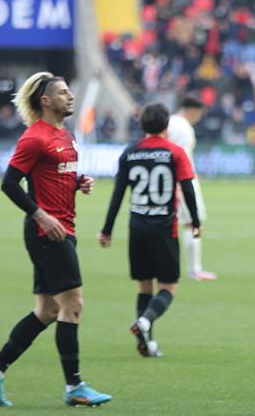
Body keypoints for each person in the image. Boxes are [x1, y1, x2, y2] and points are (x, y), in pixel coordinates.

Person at [0, 72, 111, 407]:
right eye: (64, 93)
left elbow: (54, 173)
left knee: (48, 310)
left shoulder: (64, 134)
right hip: (47, 232)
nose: (71, 97)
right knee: (73, 305)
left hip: (62, 228)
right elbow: (9, 183)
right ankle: (74, 387)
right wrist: (40, 214)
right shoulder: (34, 137)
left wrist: (78, 181)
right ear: (45, 101)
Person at [98, 103, 201, 358]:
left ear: (141, 125)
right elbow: (188, 189)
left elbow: (118, 193)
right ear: (166, 126)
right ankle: (144, 323)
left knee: (144, 286)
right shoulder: (175, 152)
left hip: (137, 227)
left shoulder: (130, 152)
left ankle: (146, 343)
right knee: (169, 286)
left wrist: (107, 229)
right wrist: (196, 222)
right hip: (165, 228)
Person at [166, 95, 216, 281]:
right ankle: (195, 269)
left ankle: (164, 266)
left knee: (167, 225)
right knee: (192, 224)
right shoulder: (184, 128)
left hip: (168, 179)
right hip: (183, 180)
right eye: (199, 113)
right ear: (193, 110)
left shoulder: (169, 122)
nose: (199, 117)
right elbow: (181, 157)